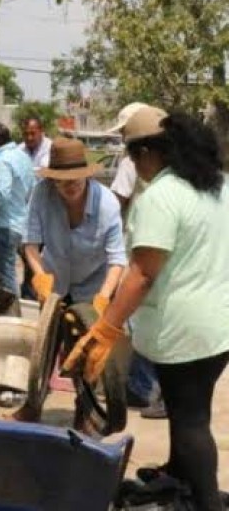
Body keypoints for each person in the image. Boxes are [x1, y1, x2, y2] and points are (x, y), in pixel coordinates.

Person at [64, 108, 229, 510]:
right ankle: (177, 476)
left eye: (135, 156)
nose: (134, 166)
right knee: (187, 409)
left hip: (183, 331)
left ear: (153, 152)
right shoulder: (218, 186)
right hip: (218, 326)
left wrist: (106, 328)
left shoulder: (160, 197)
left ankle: (207, 503)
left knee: (191, 422)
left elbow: (141, 274)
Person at [109, 102, 166, 420]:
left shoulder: (133, 161)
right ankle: (151, 387)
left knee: (139, 317)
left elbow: (116, 202)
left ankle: (143, 387)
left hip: (142, 244)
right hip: (158, 245)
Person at [23, 137, 126, 312]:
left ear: (87, 175)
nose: (70, 186)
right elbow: (31, 243)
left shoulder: (107, 204)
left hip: (93, 289)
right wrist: (41, 277)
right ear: (53, 180)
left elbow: (116, 260)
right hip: (54, 285)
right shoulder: (41, 192)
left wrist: (103, 298)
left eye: (76, 179)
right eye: (62, 180)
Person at [0, 122, 36, 294]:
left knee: (6, 275)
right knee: (9, 272)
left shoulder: (1, 163)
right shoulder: (23, 157)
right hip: (20, 222)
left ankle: (13, 315)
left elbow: (2, 193)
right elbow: (30, 188)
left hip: (3, 225)